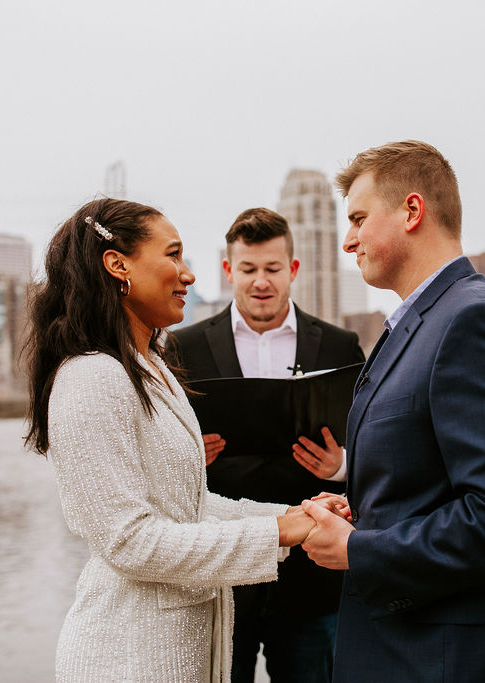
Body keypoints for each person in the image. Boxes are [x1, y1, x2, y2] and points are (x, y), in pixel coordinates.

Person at [299, 141, 485, 682]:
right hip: (410, 649)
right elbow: (431, 480)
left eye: (357, 218)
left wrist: (362, 550)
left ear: (411, 210)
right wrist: (365, 508)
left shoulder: (473, 322)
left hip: (458, 661)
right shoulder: (418, 322)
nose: (347, 240)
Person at [23, 198, 319, 682]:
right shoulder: (91, 378)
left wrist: (295, 516)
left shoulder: (151, 369)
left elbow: (189, 506)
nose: (189, 274)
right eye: (174, 255)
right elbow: (129, 541)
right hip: (128, 658)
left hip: (180, 654)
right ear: (118, 265)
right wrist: (279, 532)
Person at [168, 207, 365, 683]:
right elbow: (158, 456)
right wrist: (190, 456)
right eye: (249, 269)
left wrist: (341, 465)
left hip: (313, 571)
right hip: (221, 572)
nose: (261, 282)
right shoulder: (182, 347)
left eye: (273, 269)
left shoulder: (340, 346)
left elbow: (375, 443)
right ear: (228, 270)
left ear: (292, 270)